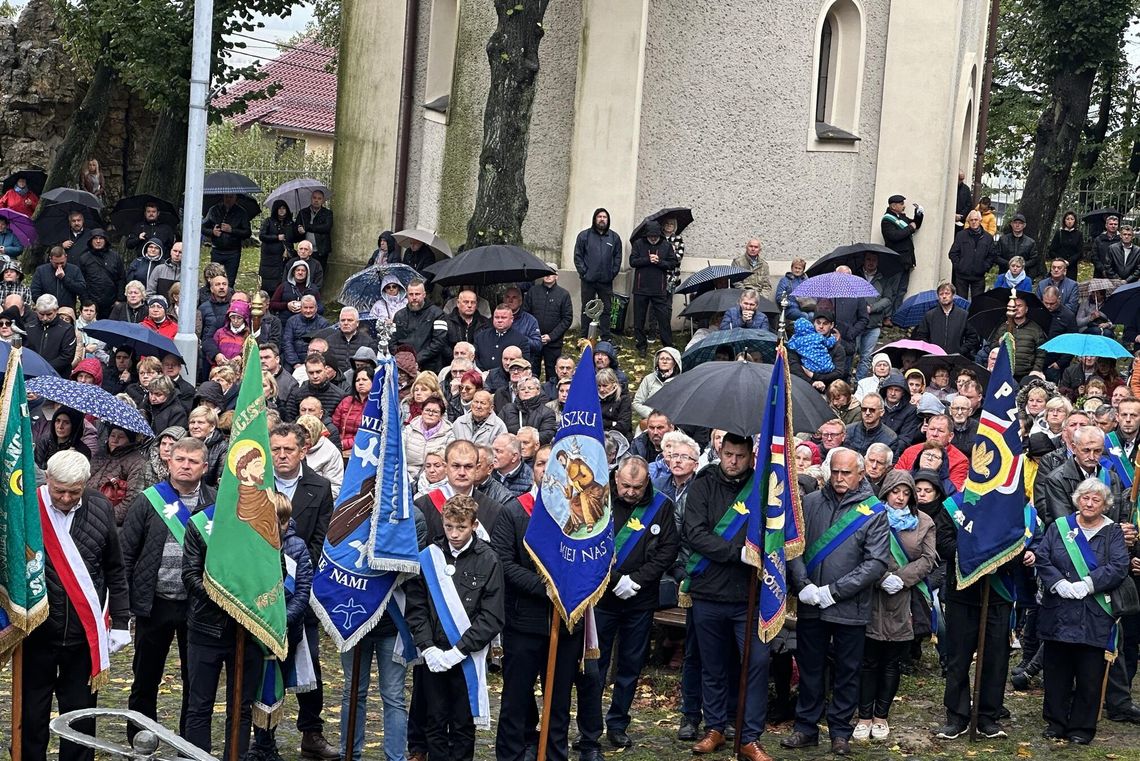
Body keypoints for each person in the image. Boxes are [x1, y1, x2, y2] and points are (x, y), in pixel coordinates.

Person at [21, 451, 130, 761]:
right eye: (59, 491)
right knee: (32, 716)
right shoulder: (29, 508)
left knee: (81, 717)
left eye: (74, 491)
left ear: (85, 483)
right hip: (37, 634)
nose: (66, 498)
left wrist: (121, 621)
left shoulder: (99, 507)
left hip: (84, 636)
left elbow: (114, 568)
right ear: (48, 480)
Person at [784, 448, 889, 757]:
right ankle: (806, 728)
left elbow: (875, 563)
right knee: (810, 667)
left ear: (860, 474)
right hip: (810, 603)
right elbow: (794, 545)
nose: (840, 478)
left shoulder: (875, 511)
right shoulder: (811, 502)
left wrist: (833, 591)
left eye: (847, 473)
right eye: (836, 472)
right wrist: (803, 584)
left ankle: (840, 732)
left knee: (846, 672)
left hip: (849, 607)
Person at [683, 432, 776, 760]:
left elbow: (774, 534)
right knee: (713, 665)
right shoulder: (702, 485)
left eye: (740, 455)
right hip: (708, 591)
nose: (733, 461)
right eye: (728, 455)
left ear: (751, 456)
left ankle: (750, 736)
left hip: (748, 597)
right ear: (719, 453)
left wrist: (757, 552)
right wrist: (737, 553)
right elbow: (694, 533)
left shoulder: (764, 490)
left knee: (756, 663)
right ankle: (716, 727)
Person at [119, 437, 214, 738]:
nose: (186, 465)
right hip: (155, 603)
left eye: (193, 461)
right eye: (180, 459)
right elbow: (126, 553)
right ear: (169, 462)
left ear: (205, 466)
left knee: (195, 681)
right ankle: (140, 740)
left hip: (197, 605)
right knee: (145, 680)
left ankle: (190, 744)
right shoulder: (148, 500)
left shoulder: (216, 503)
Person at [584, 456, 678, 750]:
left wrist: (637, 580)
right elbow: (586, 544)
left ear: (647, 481)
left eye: (637, 487)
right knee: (594, 666)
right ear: (616, 479)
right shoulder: (599, 500)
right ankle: (589, 728)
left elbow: (668, 550)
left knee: (631, 665)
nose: (631, 492)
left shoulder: (661, 506)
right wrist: (614, 580)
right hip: (602, 597)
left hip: (640, 598)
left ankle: (618, 723)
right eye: (626, 486)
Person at [405, 494, 505, 761]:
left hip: (466, 658)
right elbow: (416, 608)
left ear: (473, 525)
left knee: (463, 725)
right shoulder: (429, 557)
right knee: (434, 721)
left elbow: (492, 616)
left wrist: (458, 651)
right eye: (449, 526)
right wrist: (428, 648)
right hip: (434, 656)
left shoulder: (489, 559)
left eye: (461, 527)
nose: (454, 533)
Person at [1031, 478, 1130, 744]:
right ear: (1077, 499)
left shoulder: (1113, 532)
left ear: (1105, 505)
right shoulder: (1059, 527)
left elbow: (1119, 566)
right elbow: (1043, 557)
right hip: (1059, 611)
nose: (1089, 503)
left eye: (1095, 500)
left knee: (1089, 675)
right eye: (1085, 498)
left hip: (1094, 612)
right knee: (1057, 672)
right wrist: (1058, 583)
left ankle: (1082, 729)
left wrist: (1089, 584)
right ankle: (1055, 723)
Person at [268, 422, 338, 760]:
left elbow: (320, 540)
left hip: (302, 591)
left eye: (288, 449)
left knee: (309, 665)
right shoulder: (256, 483)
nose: (281, 455)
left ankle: (311, 731)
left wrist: (294, 572)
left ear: (303, 450)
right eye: (276, 449)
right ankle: (263, 737)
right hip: (261, 593)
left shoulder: (319, 487)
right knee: (267, 666)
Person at [854, 470, 936, 742]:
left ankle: (881, 716)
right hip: (872, 596)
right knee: (868, 660)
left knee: (891, 662)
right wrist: (879, 578)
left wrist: (901, 579)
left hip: (903, 600)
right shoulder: (870, 515)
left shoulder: (924, 522)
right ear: (885, 492)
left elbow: (928, 559)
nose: (900, 498)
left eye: (906, 493)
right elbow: (860, 552)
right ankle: (864, 716)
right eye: (895, 492)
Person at [629, 220, 679, 355]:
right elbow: (632, 262)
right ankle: (641, 345)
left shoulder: (666, 245)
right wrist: (647, 259)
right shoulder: (639, 244)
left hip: (659, 288)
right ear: (647, 235)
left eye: (655, 236)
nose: (653, 239)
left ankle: (668, 345)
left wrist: (660, 262)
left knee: (663, 319)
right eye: (651, 236)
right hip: (641, 288)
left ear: (659, 235)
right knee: (639, 319)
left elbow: (673, 263)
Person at [574, 208, 623, 340]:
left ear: (608, 220)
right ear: (595, 219)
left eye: (604, 217)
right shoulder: (584, 236)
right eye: (599, 217)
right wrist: (584, 273)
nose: (602, 219)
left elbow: (618, 258)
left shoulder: (614, 237)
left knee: (606, 310)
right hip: (588, 280)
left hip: (606, 281)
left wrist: (612, 273)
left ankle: (605, 336)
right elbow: (578, 256)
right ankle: (584, 337)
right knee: (587, 309)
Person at [391, 278, 448, 372]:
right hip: (403, 368)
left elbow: (439, 343)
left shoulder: (438, 314)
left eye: (417, 294)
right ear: (406, 295)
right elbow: (392, 342)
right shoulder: (399, 316)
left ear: (424, 295)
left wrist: (417, 359)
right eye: (411, 294)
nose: (414, 297)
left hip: (430, 368)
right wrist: (404, 360)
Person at [880, 194, 923, 310]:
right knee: (893, 289)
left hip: (906, 259)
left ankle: (896, 314)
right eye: (901, 204)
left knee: (902, 289)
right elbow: (894, 236)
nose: (904, 206)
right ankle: (887, 316)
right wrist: (910, 228)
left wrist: (919, 214)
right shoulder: (887, 220)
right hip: (895, 259)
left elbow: (915, 224)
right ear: (893, 206)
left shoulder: (901, 217)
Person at [989, 295, 1046, 381]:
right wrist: (999, 343)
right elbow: (992, 347)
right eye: (1014, 306)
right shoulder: (1003, 328)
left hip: (1026, 375)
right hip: (1004, 373)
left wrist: (1036, 370)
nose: (1016, 309)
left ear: (1026, 309)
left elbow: (1041, 353)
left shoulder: (1035, 329)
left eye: (1020, 306)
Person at [201, 193, 252, 285]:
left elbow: (247, 232)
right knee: (214, 279)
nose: (228, 199)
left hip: (233, 252)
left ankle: (228, 298)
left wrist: (232, 230)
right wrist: (212, 232)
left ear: (235, 198)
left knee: (229, 281)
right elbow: (203, 227)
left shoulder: (241, 212)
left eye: (231, 197)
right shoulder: (214, 210)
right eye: (226, 196)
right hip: (217, 250)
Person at [404, 395, 455, 483]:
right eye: (427, 410)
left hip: (435, 478)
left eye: (435, 412)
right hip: (407, 476)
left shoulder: (449, 434)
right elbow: (400, 455)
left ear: (441, 415)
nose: (430, 414)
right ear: (422, 411)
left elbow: (449, 462)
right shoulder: (409, 430)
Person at [25, 294, 78, 377]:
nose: (45, 318)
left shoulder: (67, 329)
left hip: (58, 375)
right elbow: (25, 351)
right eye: (41, 314)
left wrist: (45, 368)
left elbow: (67, 356)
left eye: (49, 314)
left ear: (56, 310)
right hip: (32, 373)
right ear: (36, 311)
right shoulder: (29, 327)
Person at [948, 210, 996, 300]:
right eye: (971, 220)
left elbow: (992, 255)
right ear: (968, 221)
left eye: (976, 219)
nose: (974, 222)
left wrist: (984, 267)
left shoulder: (988, 238)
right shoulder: (961, 235)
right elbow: (953, 253)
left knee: (977, 303)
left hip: (978, 276)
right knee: (961, 303)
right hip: (962, 276)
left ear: (980, 220)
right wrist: (959, 266)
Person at [78, 229, 126, 319]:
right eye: (95, 238)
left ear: (105, 240)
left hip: (112, 303)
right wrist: (86, 301)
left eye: (101, 238)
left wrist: (120, 299)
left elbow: (121, 278)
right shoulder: (84, 258)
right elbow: (81, 282)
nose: (98, 241)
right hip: (92, 305)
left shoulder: (115, 257)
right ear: (91, 241)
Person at [259, 199, 295, 294]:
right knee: (269, 284)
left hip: (285, 257)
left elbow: (293, 237)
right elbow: (262, 236)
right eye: (279, 208)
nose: (282, 210)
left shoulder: (290, 223)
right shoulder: (268, 221)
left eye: (284, 208)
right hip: (270, 258)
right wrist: (276, 237)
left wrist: (300, 231)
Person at [295, 189, 333, 269]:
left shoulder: (327, 213)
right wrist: (299, 230)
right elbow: (296, 229)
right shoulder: (303, 212)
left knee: (318, 274)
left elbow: (326, 228)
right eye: (314, 198)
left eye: (319, 199)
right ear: (311, 199)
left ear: (323, 200)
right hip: (305, 251)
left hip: (320, 251)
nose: (316, 200)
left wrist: (307, 227)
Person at [996, 212, 1040, 279]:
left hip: (1023, 276)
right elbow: (996, 256)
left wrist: (1021, 265)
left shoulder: (1030, 242)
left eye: (1020, 223)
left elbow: (1034, 259)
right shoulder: (1003, 240)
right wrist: (1009, 264)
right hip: (1004, 274)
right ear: (1011, 224)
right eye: (1015, 223)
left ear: (1024, 225)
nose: (1017, 225)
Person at [1092, 214, 1121, 279]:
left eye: (1115, 224)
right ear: (1106, 225)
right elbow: (1094, 256)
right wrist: (1102, 269)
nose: (1113, 226)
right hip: (1100, 273)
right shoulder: (1099, 239)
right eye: (1111, 224)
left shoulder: (1121, 240)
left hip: (1117, 274)